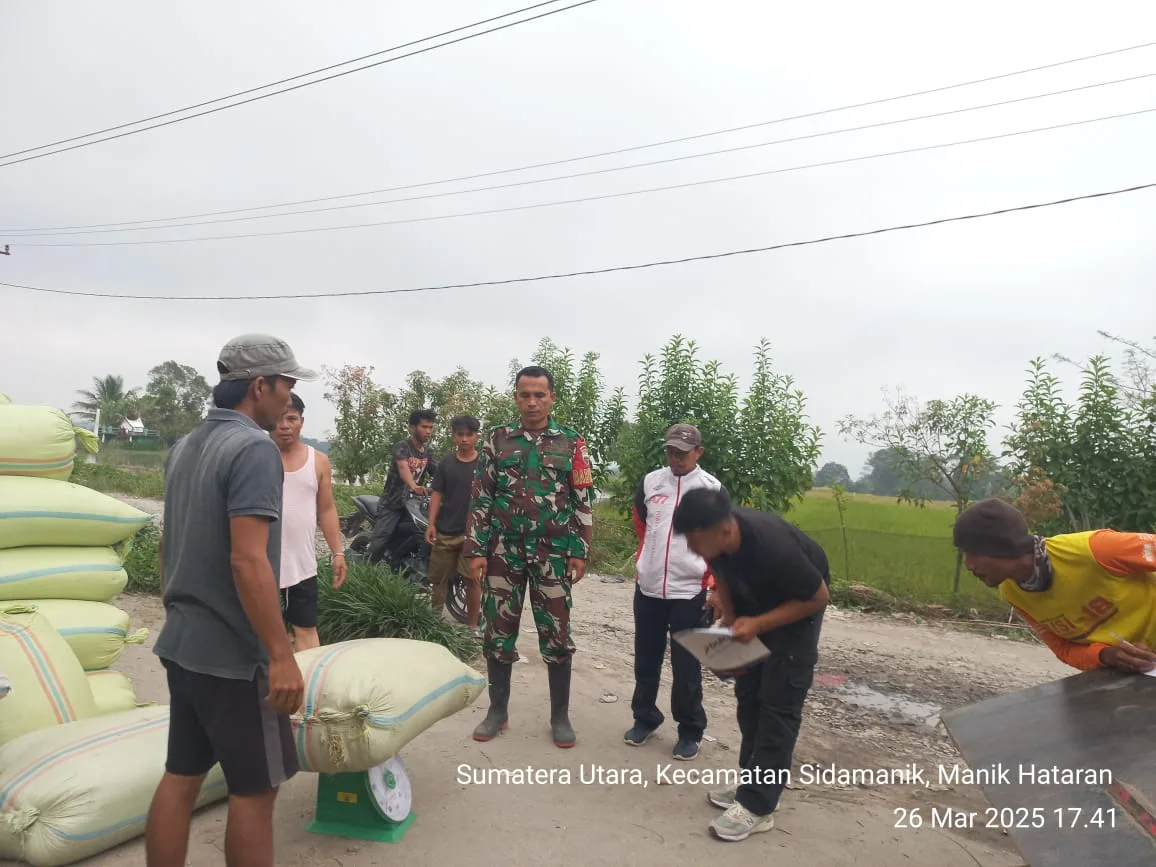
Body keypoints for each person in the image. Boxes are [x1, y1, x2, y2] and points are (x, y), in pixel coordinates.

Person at [145, 333, 316, 867]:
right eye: (285, 386)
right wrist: (280, 654)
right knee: (255, 789)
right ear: (259, 385)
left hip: (182, 642)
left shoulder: (187, 445)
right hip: (232, 658)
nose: (289, 399)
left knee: (182, 774)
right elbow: (248, 561)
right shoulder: (253, 448)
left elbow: (169, 547)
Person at [672, 487, 830, 843]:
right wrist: (730, 619)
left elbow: (818, 597)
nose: (694, 552)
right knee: (749, 695)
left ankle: (759, 808)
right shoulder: (717, 539)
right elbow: (722, 573)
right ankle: (752, 783)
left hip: (797, 609)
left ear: (724, 531)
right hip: (755, 602)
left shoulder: (774, 546)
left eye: (696, 543)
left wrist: (757, 625)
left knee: (778, 707)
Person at [464, 365, 595, 748]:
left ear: (552, 397)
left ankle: (559, 717)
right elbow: (481, 498)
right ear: (516, 397)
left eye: (540, 394)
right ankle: (497, 711)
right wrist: (475, 549)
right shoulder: (497, 440)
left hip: (553, 553)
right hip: (504, 552)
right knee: (497, 632)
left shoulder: (572, 443)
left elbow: (582, 499)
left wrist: (579, 550)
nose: (532, 402)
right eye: (525, 394)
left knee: (556, 635)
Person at [953, 497, 1156, 673]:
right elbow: (1063, 648)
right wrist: (1106, 655)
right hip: (1141, 674)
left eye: (973, 553)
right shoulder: (1013, 593)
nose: (969, 566)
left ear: (1000, 548)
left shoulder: (1095, 550)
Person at [625, 423, 724, 760]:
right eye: (671, 451)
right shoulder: (652, 482)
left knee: (686, 667)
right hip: (650, 586)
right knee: (646, 659)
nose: (676, 457)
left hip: (689, 591)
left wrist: (714, 585)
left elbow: (721, 540)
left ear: (699, 452)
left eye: (683, 452)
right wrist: (645, 562)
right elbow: (642, 524)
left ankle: (690, 729)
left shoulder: (711, 488)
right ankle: (645, 717)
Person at [273, 393, 347, 651]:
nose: (284, 425)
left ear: (301, 422)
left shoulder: (318, 461)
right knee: (258, 632)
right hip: (261, 562)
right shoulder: (255, 457)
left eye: (291, 418)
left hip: (301, 565)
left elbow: (326, 510)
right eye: (279, 419)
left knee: (306, 631)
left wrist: (338, 552)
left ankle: (308, 688)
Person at [425, 414, 483, 631]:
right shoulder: (446, 464)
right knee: (439, 579)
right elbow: (437, 493)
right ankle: (433, 622)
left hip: (473, 534)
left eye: (469, 434)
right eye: (460, 435)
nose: (465, 439)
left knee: (472, 580)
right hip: (446, 529)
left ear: (476, 436)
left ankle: (473, 626)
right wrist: (431, 523)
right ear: (454, 437)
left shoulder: (484, 464)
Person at [367, 409, 438, 563]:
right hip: (393, 503)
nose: (428, 431)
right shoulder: (403, 447)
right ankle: (364, 569)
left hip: (413, 504)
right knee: (381, 538)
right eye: (424, 427)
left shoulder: (427, 452)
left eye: (430, 427)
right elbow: (403, 468)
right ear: (413, 427)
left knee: (422, 532)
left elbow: (438, 473)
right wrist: (413, 485)